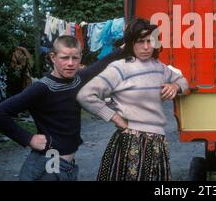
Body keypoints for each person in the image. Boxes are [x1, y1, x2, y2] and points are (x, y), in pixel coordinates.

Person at [0, 35, 125, 181]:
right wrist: (28, 138)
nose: (70, 63)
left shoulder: (78, 79)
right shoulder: (41, 88)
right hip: (49, 165)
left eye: (75, 58)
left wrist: (125, 47)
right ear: (53, 57)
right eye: (64, 58)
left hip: (67, 165)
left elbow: (101, 64)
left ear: (80, 57)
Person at [77, 18, 189, 181]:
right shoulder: (119, 68)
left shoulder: (159, 68)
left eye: (150, 41)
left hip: (157, 141)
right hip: (131, 142)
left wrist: (175, 86)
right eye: (140, 41)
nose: (146, 47)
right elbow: (85, 95)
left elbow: (183, 82)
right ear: (131, 43)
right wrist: (114, 117)